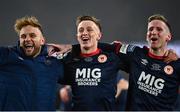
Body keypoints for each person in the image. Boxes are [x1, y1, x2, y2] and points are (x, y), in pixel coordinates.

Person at [109, 14, 180, 110]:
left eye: (159, 29)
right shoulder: (135, 55)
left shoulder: (176, 64)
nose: (153, 32)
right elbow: (105, 49)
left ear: (168, 37)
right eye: (150, 29)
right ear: (147, 36)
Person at [59, 15, 127, 111]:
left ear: (99, 35)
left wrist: (112, 47)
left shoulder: (112, 58)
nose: (84, 33)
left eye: (89, 29)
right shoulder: (69, 60)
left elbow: (134, 71)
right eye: (81, 30)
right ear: (77, 36)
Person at [0, 16, 68, 111]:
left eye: (32, 35)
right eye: (23, 36)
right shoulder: (6, 55)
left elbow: (77, 75)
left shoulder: (54, 63)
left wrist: (70, 47)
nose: (27, 39)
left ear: (42, 41)